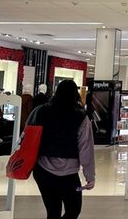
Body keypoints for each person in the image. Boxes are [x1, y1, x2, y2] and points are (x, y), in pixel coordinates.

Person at [33, 80, 95, 219]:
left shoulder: (42, 111)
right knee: (73, 210)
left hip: (43, 169)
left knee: (52, 212)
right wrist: (90, 176)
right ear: (75, 94)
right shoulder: (81, 116)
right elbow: (86, 149)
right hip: (69, 173)